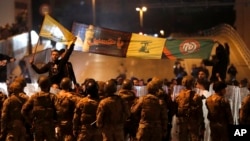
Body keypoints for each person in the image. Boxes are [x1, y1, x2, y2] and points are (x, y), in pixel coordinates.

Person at [21, 75, 58, 141]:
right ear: (48, 85)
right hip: (50, 126)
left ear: (39, 85)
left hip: (38, 126)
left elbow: (23, 110)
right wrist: (56, 122)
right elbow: (59, 110)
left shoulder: (34, 97)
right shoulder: (53, 97)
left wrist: (31, 122)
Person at [174, 75, 204, 141]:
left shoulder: (178, 96)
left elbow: (176, 110)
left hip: (182, 122)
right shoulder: (196, 96)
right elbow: (200, 113)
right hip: (193, 122)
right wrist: (202, 124)